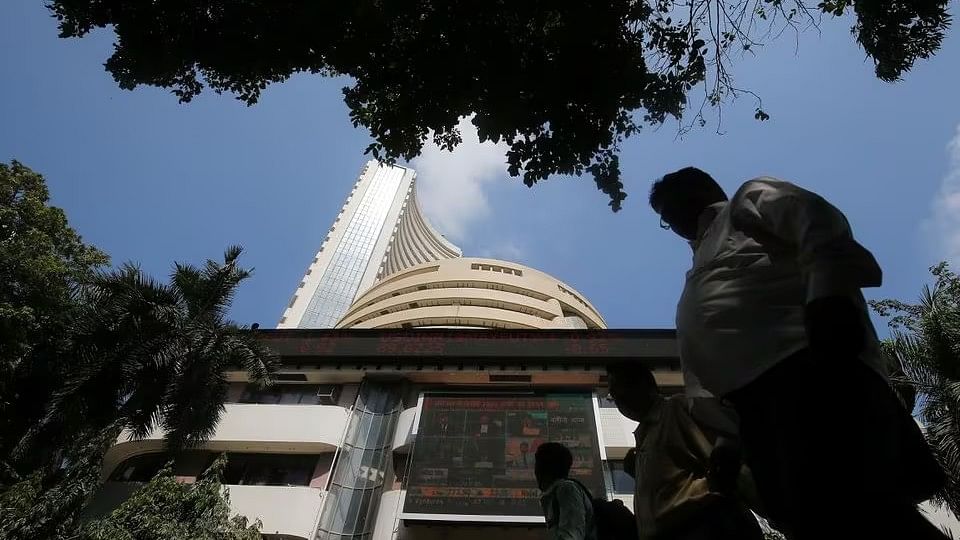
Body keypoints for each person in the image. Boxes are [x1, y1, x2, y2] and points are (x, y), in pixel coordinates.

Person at [649, 167, 947, 539]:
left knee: (862, 508)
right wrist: (727, 439)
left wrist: (828, 297)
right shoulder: (698, 265)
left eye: (666, 213)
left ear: (693, 193)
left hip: (806, 372)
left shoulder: (745, 203)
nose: (670, 224)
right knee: (814, 522)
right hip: (752, 410)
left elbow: (814, 220)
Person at [607, 364, 764, 540]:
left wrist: (777, 514)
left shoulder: (676, 410)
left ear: (645, 385)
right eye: (612, 395)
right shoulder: (645, 435)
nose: (618, 399)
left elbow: (730, 464)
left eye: (620, 389)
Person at [535, 442, 597, 540]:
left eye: (537, 465)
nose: (535, 472)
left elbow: (571, 535)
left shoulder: (566, 489)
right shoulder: (557, 493)